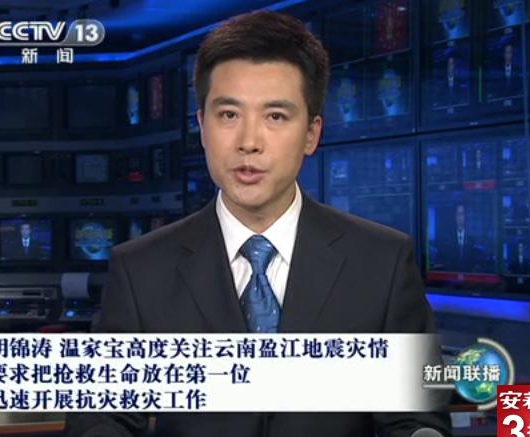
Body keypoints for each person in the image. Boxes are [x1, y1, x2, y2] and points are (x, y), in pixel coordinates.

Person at [64, 11, 450, 437]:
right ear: (202, 127)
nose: (249, 142)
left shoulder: (383, 262)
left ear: (311, 134)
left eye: (275, 117)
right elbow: (101, 417)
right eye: (229, 115)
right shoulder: (140, 269)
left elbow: (418, 418)